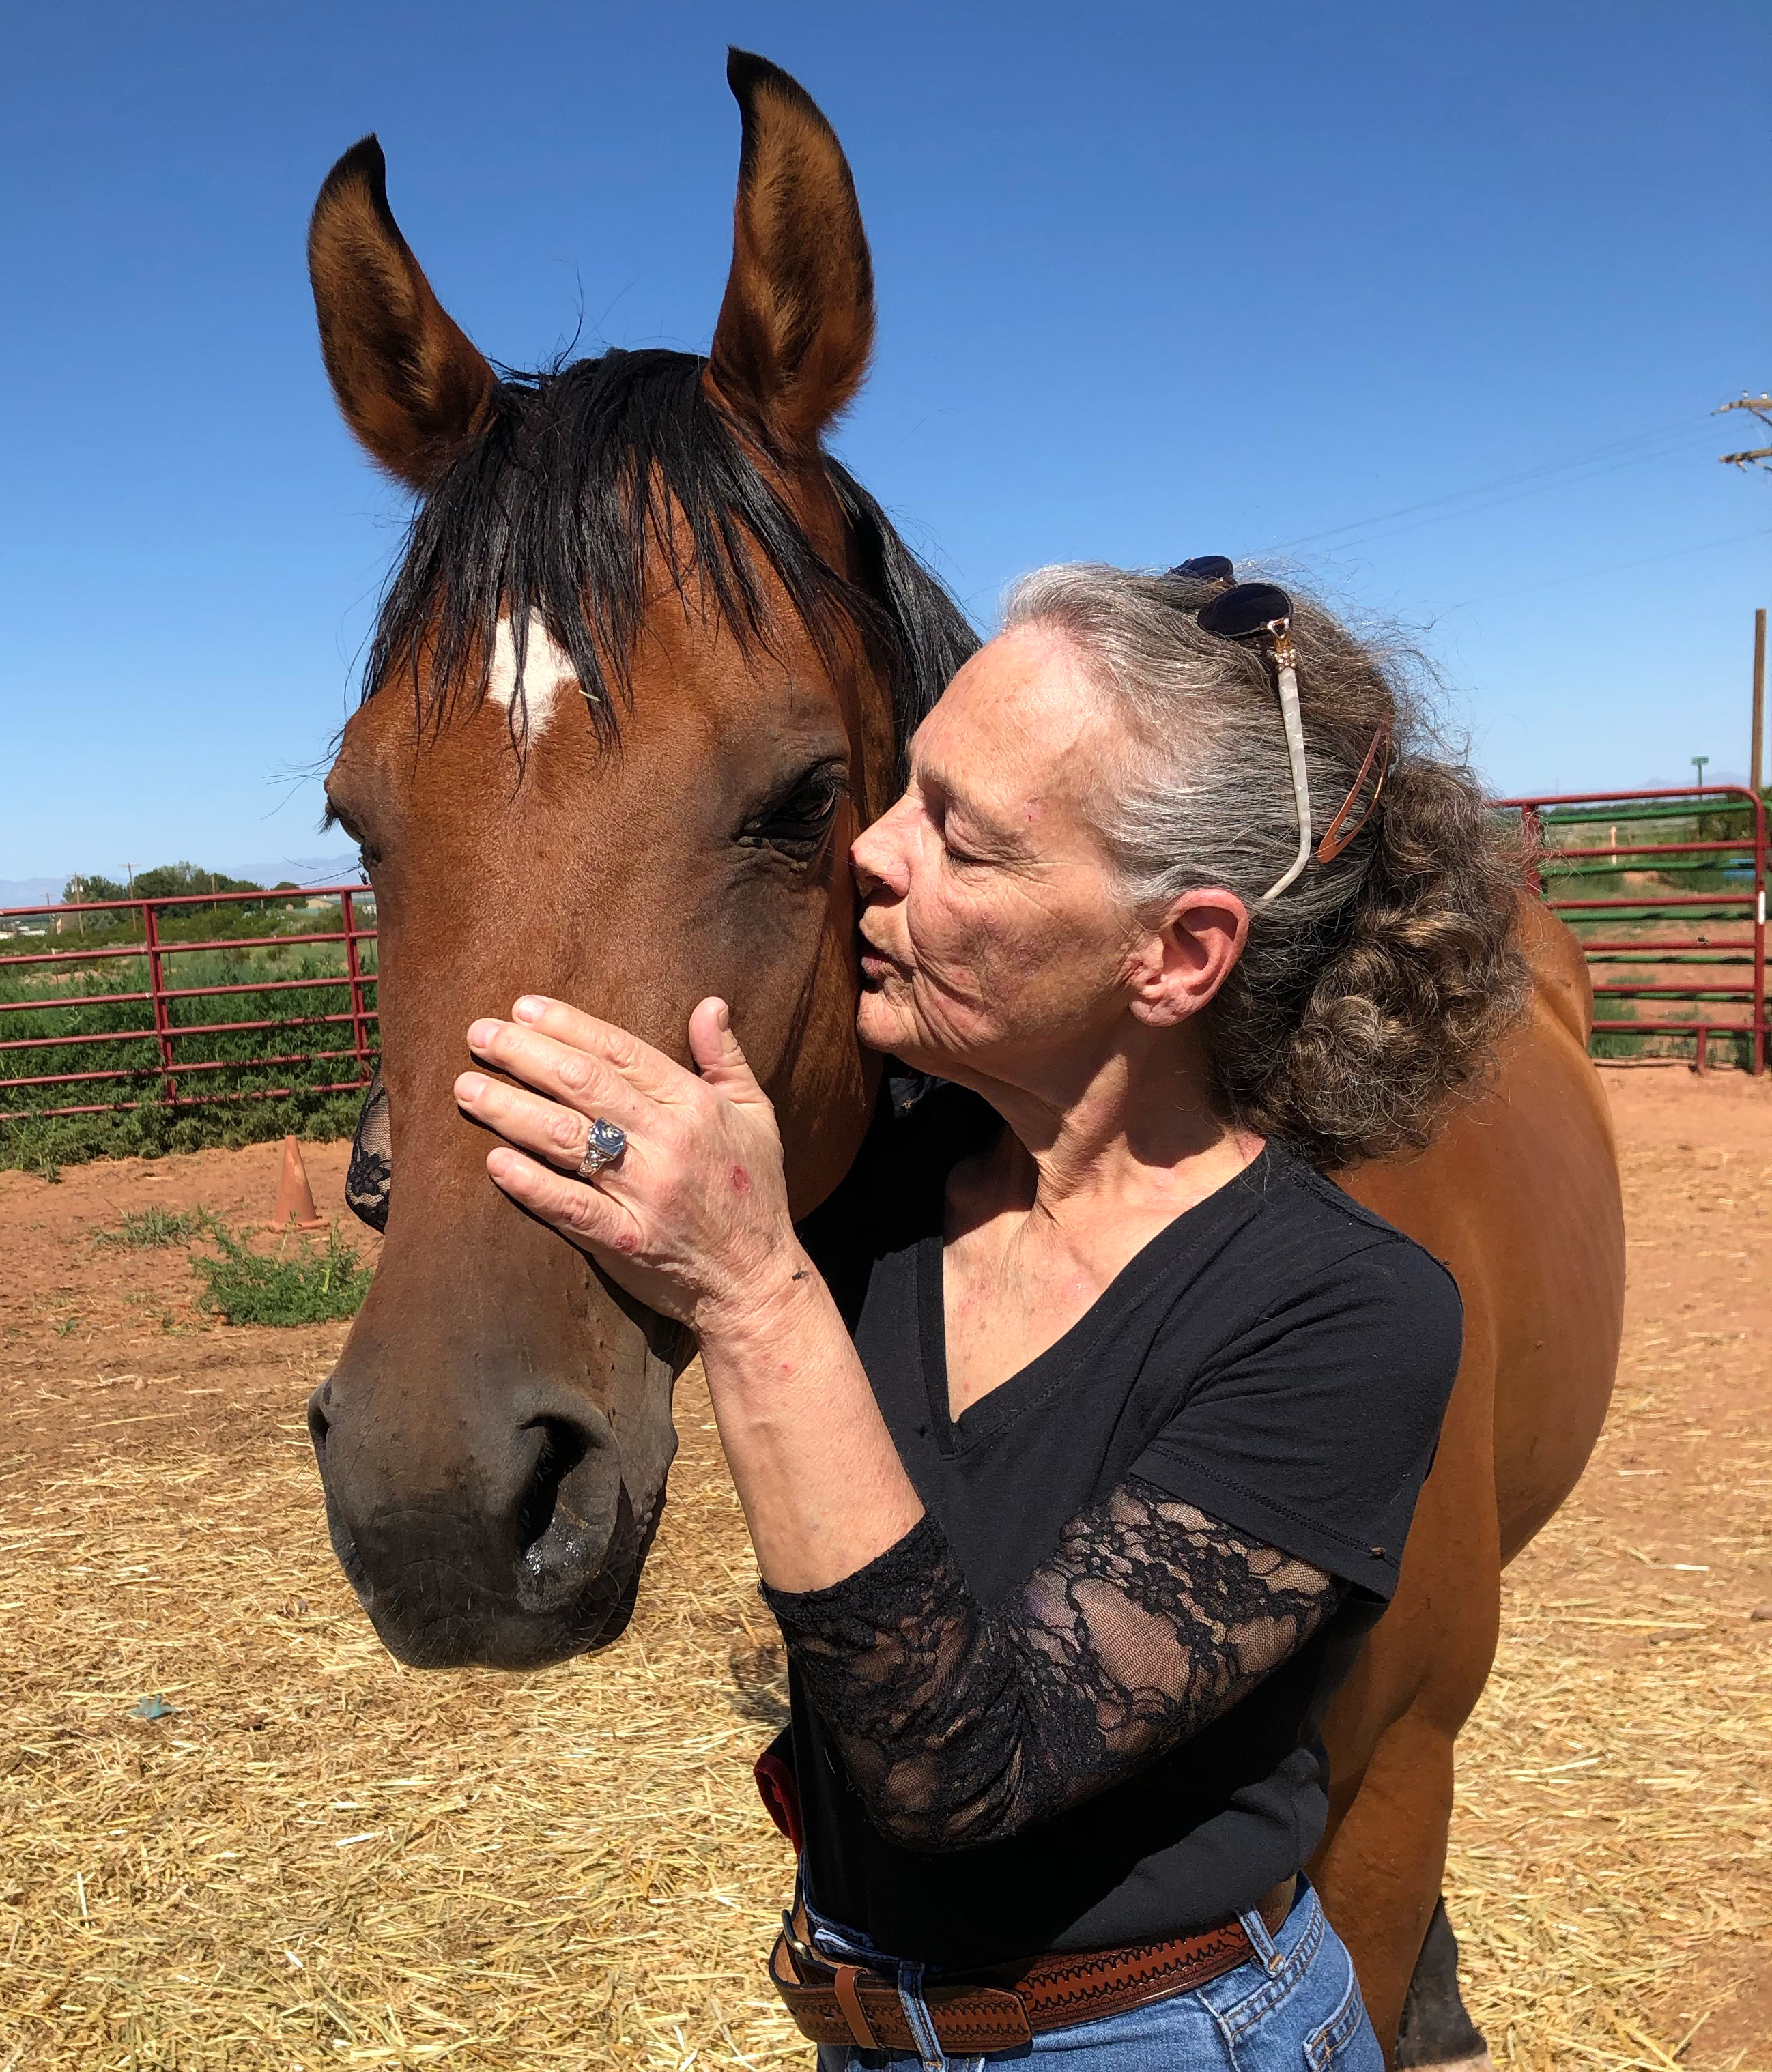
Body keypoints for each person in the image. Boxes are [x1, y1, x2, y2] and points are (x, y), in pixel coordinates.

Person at [448, 561, 1528, 2070]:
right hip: (864, 2023)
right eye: (901, 793)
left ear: (1178, 954)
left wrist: (757, 1296)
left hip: (1161, 2038)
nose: (871, 856)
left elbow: (963, 1762)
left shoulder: (1343, 1315)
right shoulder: (874, 1182)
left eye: (962, 836)